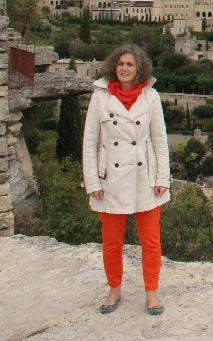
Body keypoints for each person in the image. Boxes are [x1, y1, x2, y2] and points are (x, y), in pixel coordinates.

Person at [81, 44, 171, 315]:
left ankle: (152, 293)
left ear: (139, 68)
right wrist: (92, 182)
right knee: (111, 241)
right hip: (111, 177)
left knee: (151, 241)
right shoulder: (100, 97)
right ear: (113, 67)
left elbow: (159, 140)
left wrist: (163, 177)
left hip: (145, 176)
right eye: (120, 64)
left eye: (130, 64)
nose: (124, 69)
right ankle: (114, 289)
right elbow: (90, 142)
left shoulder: (151, 96)